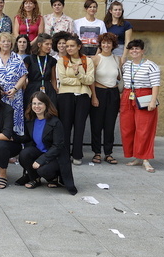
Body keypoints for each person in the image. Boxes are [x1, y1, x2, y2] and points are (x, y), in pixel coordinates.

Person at [19, 92, 77, 194]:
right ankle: (35, 179)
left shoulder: (55, 122)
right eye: (34, 103)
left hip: (55, 156)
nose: (36, 106)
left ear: (46, 105)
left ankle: (54, 178)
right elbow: (28, 138)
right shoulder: (30, 120)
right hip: (39, 151)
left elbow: (57, 146)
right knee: (24, 154)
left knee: (43, 170)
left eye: (40, 103)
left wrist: (41, 160)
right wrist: (12, 137)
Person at [120, 39, 160, 173]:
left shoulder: (151, 65)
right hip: (128, 95)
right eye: (131, 49)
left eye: (137, 48)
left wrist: (153, 101)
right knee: (128, 128)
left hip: (144, 95)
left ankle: (146, 159)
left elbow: (155, 84)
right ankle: (136, 156)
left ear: (142, 50)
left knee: (144, 129)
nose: (134, 51)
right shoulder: (127, 65)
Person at [56, 35, 95, 165]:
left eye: (72, 46)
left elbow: (90, 80)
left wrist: (78, 73)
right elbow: (62, 80)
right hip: (65, 96)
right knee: (65, 126)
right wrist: (80, 81)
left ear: (79, 46)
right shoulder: (62, 61)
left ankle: (77, 154)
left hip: (83, 96)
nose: (69, 48)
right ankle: (65, 154)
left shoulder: (87, 61)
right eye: (67, 46)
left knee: (80, 125)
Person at [0, 32, 28, 136]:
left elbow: (23, 76)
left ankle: (15, 141)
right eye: (3, 41)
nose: (6, 43)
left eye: (8, 41)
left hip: (14, 96)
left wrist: (15, 89)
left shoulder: (17, 58)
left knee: (14, 119)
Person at [90, 33, 121, 165]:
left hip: (113, 93)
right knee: (96, 125)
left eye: (109, 43)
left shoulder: (117, 59)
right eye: (103, 43)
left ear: (113, 45)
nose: (106, 45)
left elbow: (118, 77)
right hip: (99, 92)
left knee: (110, 125)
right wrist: (94, 97)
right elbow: (91, 79)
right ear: (100, 44)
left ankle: (108, 153)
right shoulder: (95, 59)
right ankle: (97, 152)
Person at [23, 33, 58, 108]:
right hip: (32, 87)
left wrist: (55, 91)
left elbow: (53, 78)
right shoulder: (29, 59)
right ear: (39, 44)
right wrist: (25, 89)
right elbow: (23, 77)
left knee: (49, 110)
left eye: (51, 44)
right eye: (47, 44)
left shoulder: (52, 60)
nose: (49, 47)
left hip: (48, 88)